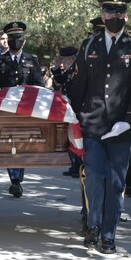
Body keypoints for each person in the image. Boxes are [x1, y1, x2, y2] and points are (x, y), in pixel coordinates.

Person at [70, 0, 131, 254]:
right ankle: (92, 226)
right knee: (93, 177)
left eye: (119, 12)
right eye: (109, 12)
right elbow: (79, 86)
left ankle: (108, 234)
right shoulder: (90, 45)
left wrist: (129, 120)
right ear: (102, 15)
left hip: (120, 126)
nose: (114, 17)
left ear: (125, 15)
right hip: (92, 124)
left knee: (115, 183)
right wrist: (73, 117)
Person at [0, 21, 45, 198]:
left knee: (22, 144)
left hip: (26, 110)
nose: (16, 41)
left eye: (19, 38)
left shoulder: (32, 60)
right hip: (6, 110)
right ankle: (15, 180)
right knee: (10, 144)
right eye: (13, 38)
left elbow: (39, 85)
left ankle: (17, 179)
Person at [51, 46, 82, 178]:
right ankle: (73, 165)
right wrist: (57, 68)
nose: (63, 61)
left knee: (76, 137)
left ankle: (79, 166)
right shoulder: (69, 71)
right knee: (69, 136)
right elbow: (59, 82)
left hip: (78, 108)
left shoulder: (78, 70)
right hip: (69, 108)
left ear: (72, 58)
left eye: (65, 59)